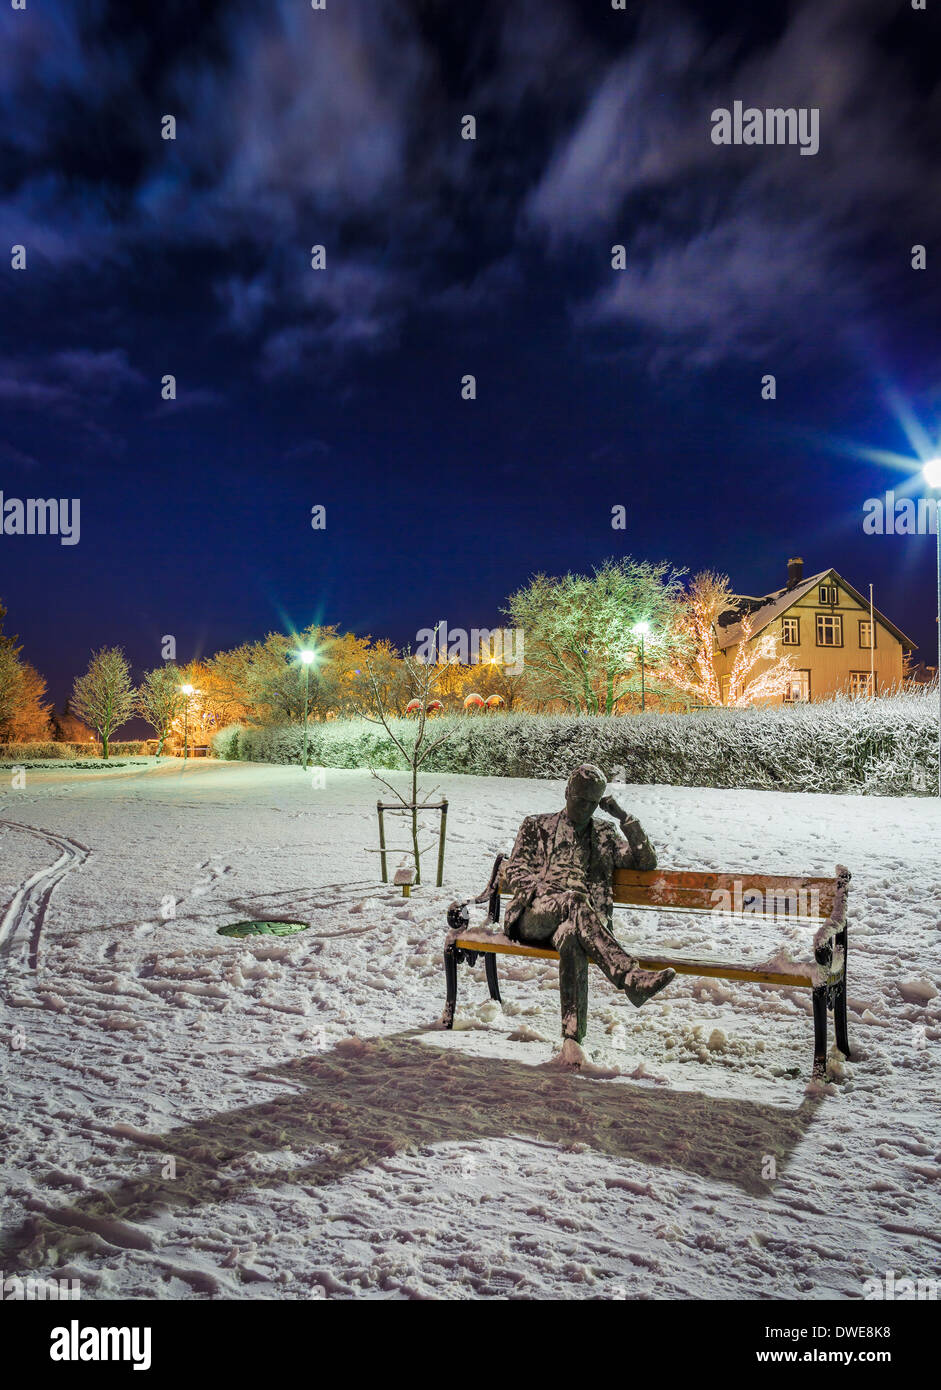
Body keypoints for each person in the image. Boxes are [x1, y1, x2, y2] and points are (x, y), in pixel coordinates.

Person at [504, 763, 675, 1043]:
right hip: (534, 917)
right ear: (567, 792)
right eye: (579, 799)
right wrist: (542, 892)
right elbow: (515, 870)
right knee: (573, 900)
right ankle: (630, 977)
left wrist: (623, 817)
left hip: (579, 923)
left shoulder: (605, 835)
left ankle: (572, 1041)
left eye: (592, 803)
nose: (584, 808)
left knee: (572, 937)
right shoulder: (537, 826)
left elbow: (645, 862)